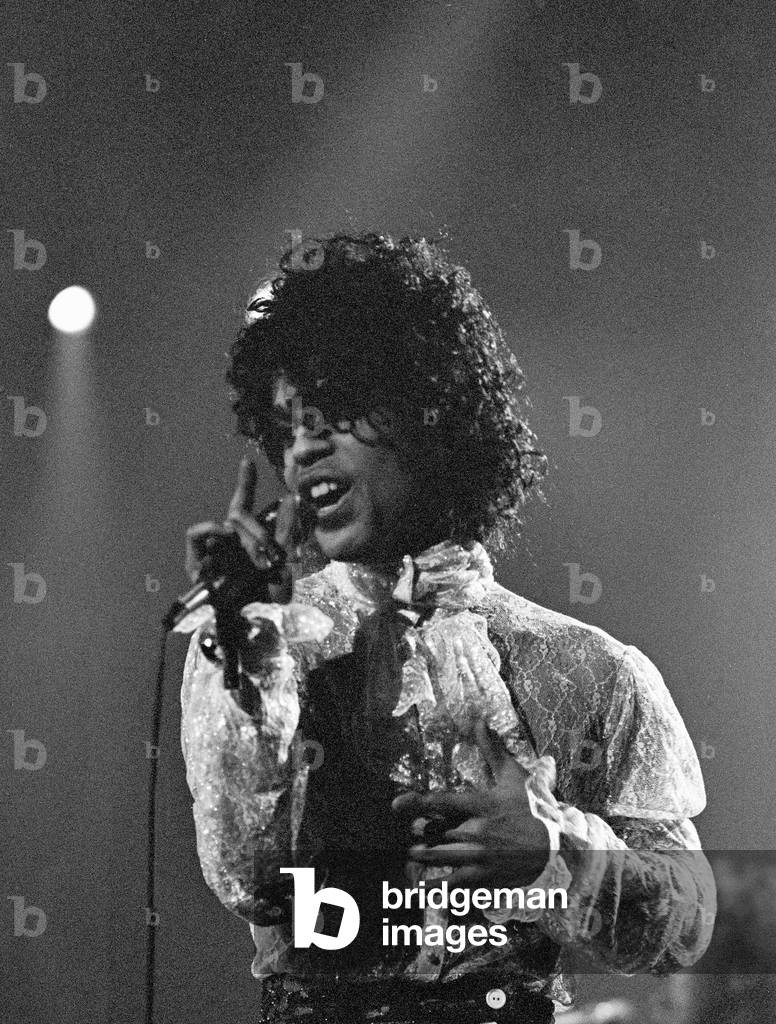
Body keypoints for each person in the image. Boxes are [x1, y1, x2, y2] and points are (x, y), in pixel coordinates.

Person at [178, 232, 716, 1024]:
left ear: (433, 411)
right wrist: (254, 655)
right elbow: (247, 880)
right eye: (288, 424)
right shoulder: (255, 649)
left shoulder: (586, 668)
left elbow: (691, 928)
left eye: (336, 410)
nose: (304, 448)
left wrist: (554, 852)